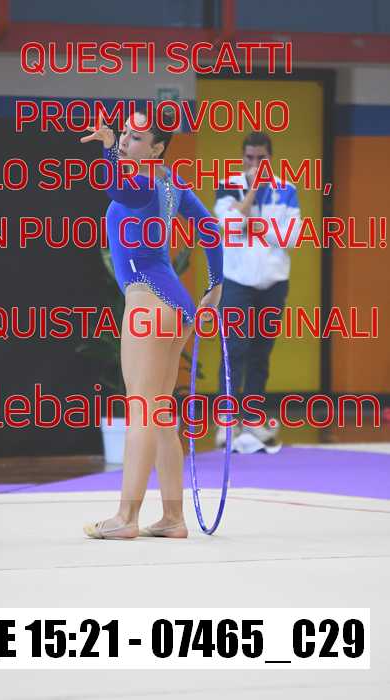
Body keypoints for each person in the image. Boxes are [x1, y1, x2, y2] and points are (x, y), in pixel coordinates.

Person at [81, 112, 223, 539]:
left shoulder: (142, 184)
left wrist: (108, 149)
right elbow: (211, 229)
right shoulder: (170, 184)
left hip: (148, 304)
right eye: (125, 133)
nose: (126, 139)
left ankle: (126, 517)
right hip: (176, 307)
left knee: (141, 409)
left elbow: (113, 186)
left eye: (136, 137)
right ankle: (173, 518)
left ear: (157, 148)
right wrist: (214, 287)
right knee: (159, 413)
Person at [213, 132, 302, 450]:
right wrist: (251, 194)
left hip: (273, 283)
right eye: (249, 158)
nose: (254, 164)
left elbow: (292, 237)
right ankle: (227, 420)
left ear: (270, 158)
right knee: (233, 349)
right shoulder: (228, 184)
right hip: (237, 280)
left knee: (261, 353)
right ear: (242, 158)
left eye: (261, 158)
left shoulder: (287, 189)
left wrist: (254, 224)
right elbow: (229, 226)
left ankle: (251, 418)